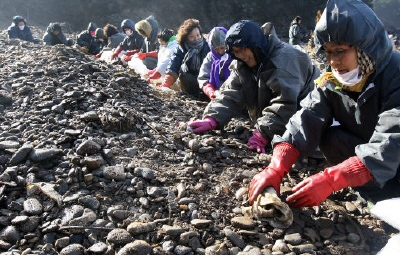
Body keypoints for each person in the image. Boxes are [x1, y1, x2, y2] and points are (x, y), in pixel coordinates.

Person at [249, 0, 400, 207]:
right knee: (332, 139)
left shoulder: (395, 75)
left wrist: (331, 179)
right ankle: (378, 197)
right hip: (376, 156)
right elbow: (307, 117)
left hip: (394, 154)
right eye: (327, 52)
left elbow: (392, 141)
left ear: (366, 47)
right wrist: (276, 167)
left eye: (339, 50)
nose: (333, 61)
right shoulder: (333, 81)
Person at [188, 20, 320, 154]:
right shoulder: (243, 63)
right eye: (235, 52)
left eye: (241, 50)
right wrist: (212, 118)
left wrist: (263, 133)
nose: (239, 55)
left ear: (254, 45)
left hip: (308, 117)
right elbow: (230, 92)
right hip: (279, 115)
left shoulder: (284, 61)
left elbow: (285, 103)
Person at [160, 19, 210, 99]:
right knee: (184, 76)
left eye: (198, 35)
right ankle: (194, 96)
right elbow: (173, 65)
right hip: (191, 80)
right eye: (192, 37)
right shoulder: (181, 49)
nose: (196, 39)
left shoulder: (207, 47)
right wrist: (166, 83)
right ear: (186, 38)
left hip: (206, 79)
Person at [197, 27, 232, 100]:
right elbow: (203, 78)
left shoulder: (234, 54)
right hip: (217, 91)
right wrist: (210, 92)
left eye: (222, 48)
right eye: (216, 50)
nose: (220, 52)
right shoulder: (210, 57)